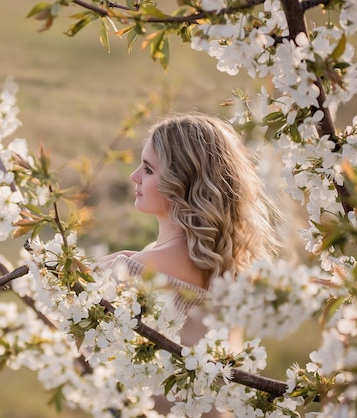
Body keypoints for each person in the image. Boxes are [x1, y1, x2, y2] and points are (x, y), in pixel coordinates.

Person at [98, 112, 281, 417]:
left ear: (181, 182)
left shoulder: (134, 272)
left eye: (148, 169)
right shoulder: (230, 268)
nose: (134, 177)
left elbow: (90, 355)